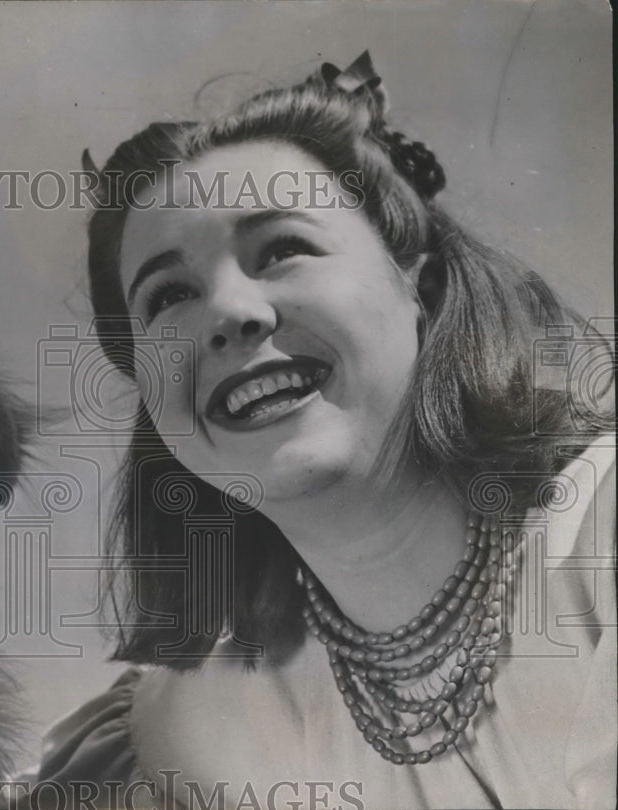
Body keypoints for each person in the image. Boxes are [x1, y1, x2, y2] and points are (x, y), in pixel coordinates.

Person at [32, 53, 616, 809]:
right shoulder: (191, 729)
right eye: (169, 295)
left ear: (422, 284)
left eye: (281, 250)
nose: (230, 314)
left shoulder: (597, 537)